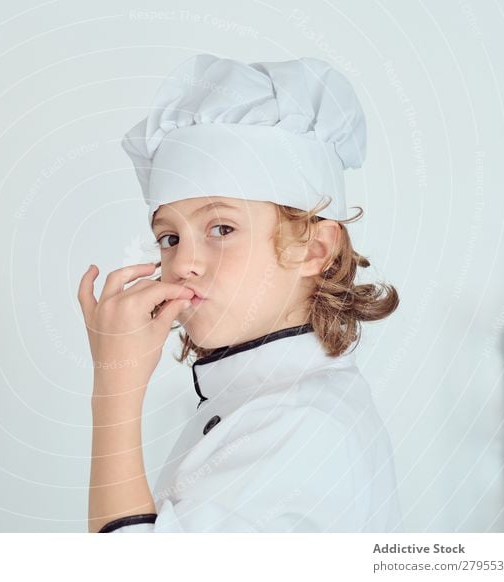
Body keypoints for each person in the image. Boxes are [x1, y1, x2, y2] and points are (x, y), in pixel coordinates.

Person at [77, 53, 403, 533]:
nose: (184, 261)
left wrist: (114, 393)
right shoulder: (262, 403)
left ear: (314, 248)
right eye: (170, 238)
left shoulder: (298, 422)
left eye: (222, 228)